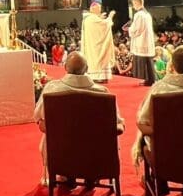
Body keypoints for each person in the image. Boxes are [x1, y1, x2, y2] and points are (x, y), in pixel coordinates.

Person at [34, 52, 124, 186]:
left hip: (62, 153)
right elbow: (116, 125)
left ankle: (65, 174)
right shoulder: (102, 93)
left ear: (65, 67)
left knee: (50, 130)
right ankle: (92, 174)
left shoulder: (52, 89)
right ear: (87, 69)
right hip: (95, 154)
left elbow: (40, 121)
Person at [79, 2, 116, 83]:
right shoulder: (92, 18)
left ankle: (99, 76)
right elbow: (104, 25)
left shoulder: (89, 18)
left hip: (93, 45)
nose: (100, 10)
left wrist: (99, 17)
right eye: (98, 9)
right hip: (97, 47)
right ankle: (99, 76)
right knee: (99, 58)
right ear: (93, 9)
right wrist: (110, 17)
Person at [126, 0, 155, 86]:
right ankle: (151, 79)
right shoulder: (147, 14)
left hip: (142, 40)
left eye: (134, 4)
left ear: (137, 3)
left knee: (143, 61)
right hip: (147, 40)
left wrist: (129, 29)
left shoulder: (139, 14)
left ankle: (146, 79)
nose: (133, 6)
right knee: (148, 61)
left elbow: (137, 28)